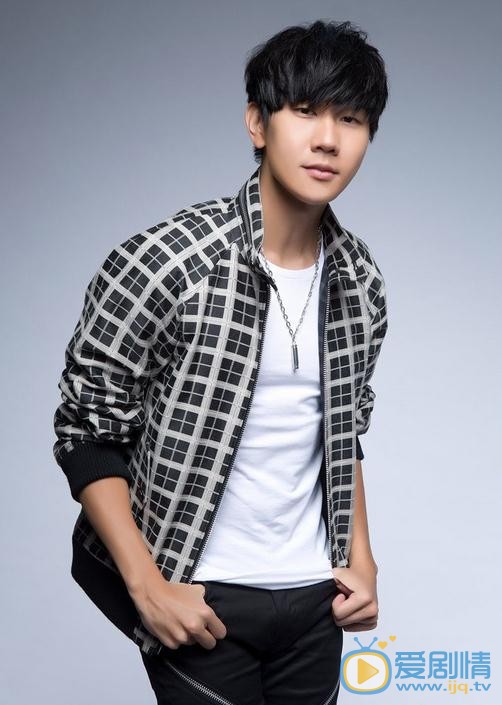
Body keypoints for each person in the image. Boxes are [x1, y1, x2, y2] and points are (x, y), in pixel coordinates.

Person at [53, 18, 389, 705]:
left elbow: (343, 430)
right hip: (200, 593)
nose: (328, 138)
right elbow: (87, 433)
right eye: (305, 111)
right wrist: (147, 587)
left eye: (351, 119)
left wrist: (363, 560)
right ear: (257, 123)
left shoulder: (360, 280)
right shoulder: (166, 261)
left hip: (315, 600)